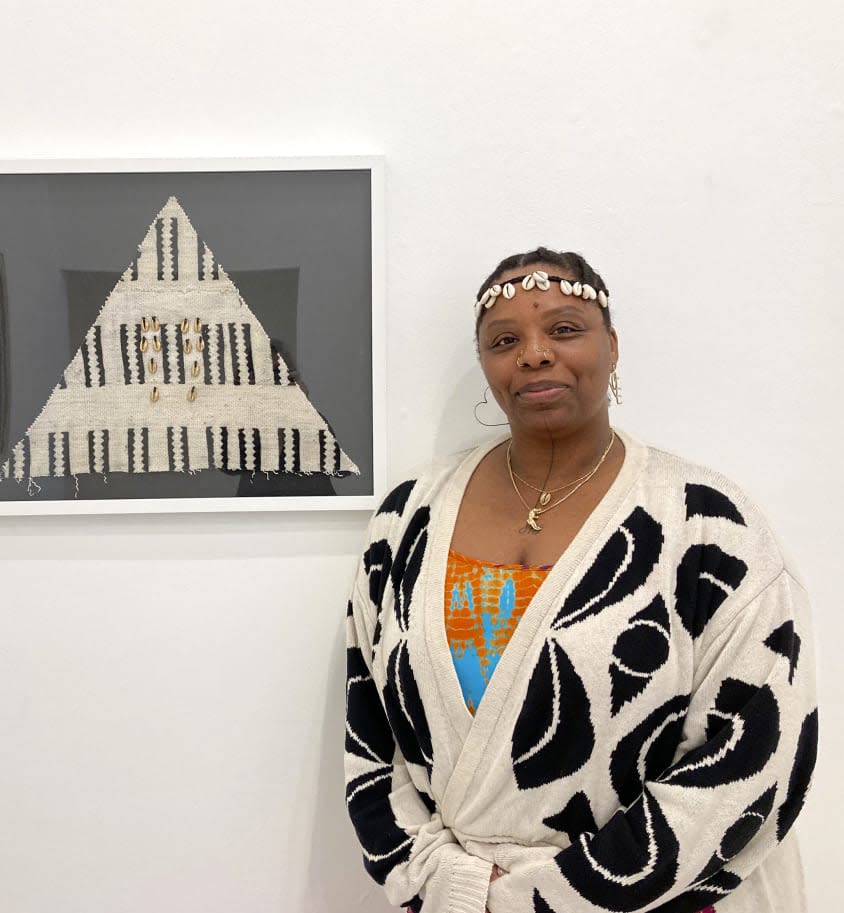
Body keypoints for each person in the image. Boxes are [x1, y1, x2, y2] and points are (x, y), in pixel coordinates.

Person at [344, 248, 817, 913]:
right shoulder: (405, 523)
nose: (534, 353)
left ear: (612, 347)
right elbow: (370, 733)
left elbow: (757, 751)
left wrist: (552, 895)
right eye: (504, 339)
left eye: (564, 328)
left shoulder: (709, 526)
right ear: (484, 363)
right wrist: (447, 881)